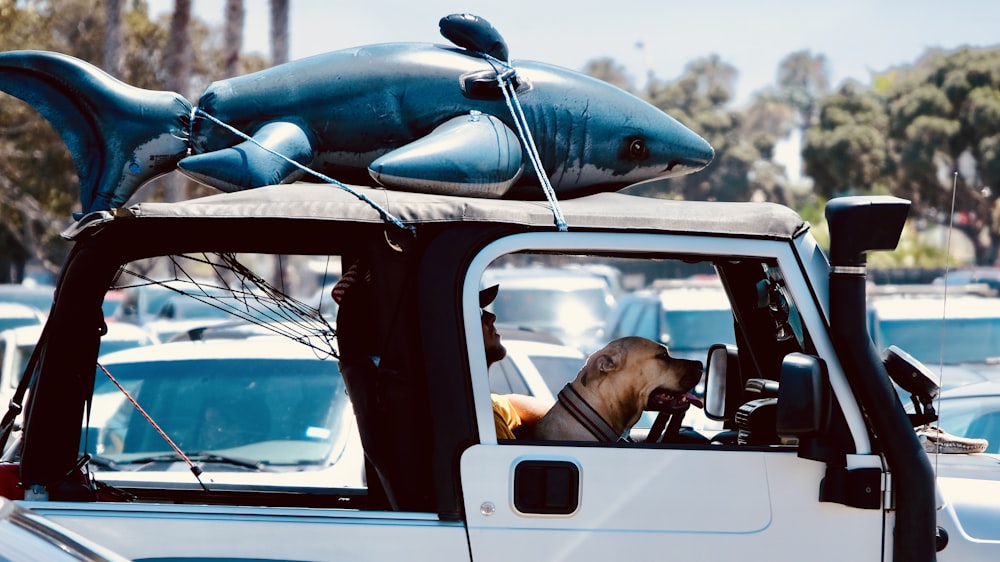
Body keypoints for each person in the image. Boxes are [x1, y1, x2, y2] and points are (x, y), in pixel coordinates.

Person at [479, 284, 550, 439]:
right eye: (477, 312)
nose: (491, 317)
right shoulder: (483, 418)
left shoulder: (485, 404)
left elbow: (511, 403)